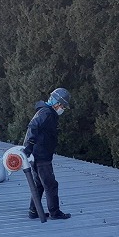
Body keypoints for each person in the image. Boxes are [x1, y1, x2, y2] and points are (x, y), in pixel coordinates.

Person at [22, 87, 71, 220]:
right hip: (41, 156)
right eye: (63, 106)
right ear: (58, 103)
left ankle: (34, 211)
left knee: (39, 185)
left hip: (39, 155)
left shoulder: (45, 112)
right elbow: (33, 126)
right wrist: (28, 146)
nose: (63, 109)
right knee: (51, 184)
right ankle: (55, 213)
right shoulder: (47, 113)